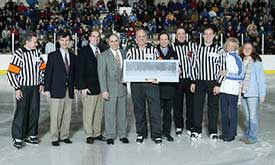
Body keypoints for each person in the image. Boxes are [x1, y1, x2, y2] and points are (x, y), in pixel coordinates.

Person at [7, 32, 45, 149]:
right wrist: (17, 88)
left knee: (34, 111)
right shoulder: (19, 53)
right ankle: (18, 136)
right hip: (23, 87)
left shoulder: (37, 53)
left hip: (35, 87)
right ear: (27, 42)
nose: (37, 43)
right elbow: (11, 72)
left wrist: (42, 82)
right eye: (35, 41)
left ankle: (31, 134)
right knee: (21, 111)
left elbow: (42, 68)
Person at [190, 25, 226, 141]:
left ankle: (213, 131)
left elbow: (222, 68)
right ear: (203, 35)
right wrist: (193, 81)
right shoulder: (197, 49)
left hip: (213, 82)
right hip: (200, 82)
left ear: (214, 35)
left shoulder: (219, 50)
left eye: (210, 34)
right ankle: (196, 130)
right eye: (206, 34)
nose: (208, 36)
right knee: (197, 106)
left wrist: (218, 84)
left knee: (213, 107)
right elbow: (193, 66)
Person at [126, 28, 162, 144]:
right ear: (136, 39)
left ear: (147, 38)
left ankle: (156, 134)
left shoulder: (153, 50)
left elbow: (159, 65)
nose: (141, 38)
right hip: (137, 84)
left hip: (152, 84)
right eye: (139, 37)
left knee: (155, 109)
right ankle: (141, 133)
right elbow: (128, 68)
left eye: (143, 36)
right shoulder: (131, 51)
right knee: (139, 109)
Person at [44, 31, 77, 146]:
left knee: (67, 114)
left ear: (70, 41)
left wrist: (76, 87)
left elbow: (74, 74)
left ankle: (64, 135)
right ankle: (54, 137)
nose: (64, 42)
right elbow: (48, 73)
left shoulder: (73, 56)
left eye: (67, 40)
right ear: (58, 41)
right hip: (56, 89)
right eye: (62, 40)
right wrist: (47, 89)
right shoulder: (52, 55)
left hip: (69, 90)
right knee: (55, 115)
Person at [98, 34, 129, 145]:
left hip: (122, 88)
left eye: (116, 41)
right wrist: (104, 90)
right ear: (108, 43)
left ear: (119, 41)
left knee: (123, 113)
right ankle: (110, 135)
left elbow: (128, 69)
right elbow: (101, 75)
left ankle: (123, 134)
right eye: (112, 41)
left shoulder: (125, 53)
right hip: (110, 89)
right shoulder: (103, 56)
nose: (114, 43)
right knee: (109, 113)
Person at [77, 30, 105, 144]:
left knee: (98, 112)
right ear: (89, 38)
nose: (96, 39)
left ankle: (97, 133)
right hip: (88, 87)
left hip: (101, 88)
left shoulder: (102, 50)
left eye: (98, 37)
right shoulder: (83, 51)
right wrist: (82, 87)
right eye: (94, 36)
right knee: (88, 113)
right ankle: (89, 134)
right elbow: (80, 71)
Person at [171, 26, 196, 136]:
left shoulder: (192, 46)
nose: (181, 35)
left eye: (183, 33)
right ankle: (179, 125)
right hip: (177, 80)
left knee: (191, 104)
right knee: (177, 104)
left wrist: (194, 80)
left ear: (186, 35)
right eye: (179, 34)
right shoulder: (171, 47)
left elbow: (196, 63)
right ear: (176, 36)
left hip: (189, 79)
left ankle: (190, 125)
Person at [239, 42, 266, 144]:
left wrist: (262, 93)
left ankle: (252, 137)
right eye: (245, 48)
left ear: (252, 50)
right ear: (242, 49)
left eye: (249, 48)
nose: (246, 49)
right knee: (247, 116)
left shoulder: (256, 62)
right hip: (243, 92)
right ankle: (248, 134)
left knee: (252, 116)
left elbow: (261, 79)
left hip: (253, 93)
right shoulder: (241, 61)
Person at [219, 37, 244, 142]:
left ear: (235, 47)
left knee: (232, 112)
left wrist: (227, 74)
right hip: (223, 88)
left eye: (232, 45)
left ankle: (231, 133)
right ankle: (225, 132)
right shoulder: (224, 56)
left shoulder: (237, 58)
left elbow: (241, 75)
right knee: (224, 112)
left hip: (233, 89)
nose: (229, 47)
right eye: (228, 45)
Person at [156, 31, 177, 141]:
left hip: (170, 87)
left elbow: (177, 67)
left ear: (168, 41)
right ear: (159, 41)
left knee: (168, 113)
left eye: (165, 39)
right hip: (157, 88)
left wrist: (179, 70)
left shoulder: (174, 53)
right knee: (157, 112)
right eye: (162, 39)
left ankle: (166, 132)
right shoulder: (154, 52)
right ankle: (157, 132)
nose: (164, 41)